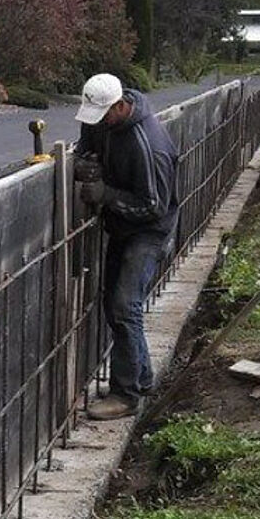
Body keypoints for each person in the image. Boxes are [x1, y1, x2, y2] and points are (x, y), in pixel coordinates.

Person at [72, 73, 179, 418]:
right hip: (122, 225)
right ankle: (139, 376)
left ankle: (126, 395)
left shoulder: (149, 145)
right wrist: (83, 162)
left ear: (120, 106)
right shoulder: (104, 119)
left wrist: (105, 195)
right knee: (113, 302)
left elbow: (154, 206)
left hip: (149, 231)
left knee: (124, 305)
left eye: (103, 116)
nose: (98, 122)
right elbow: (87, 143)